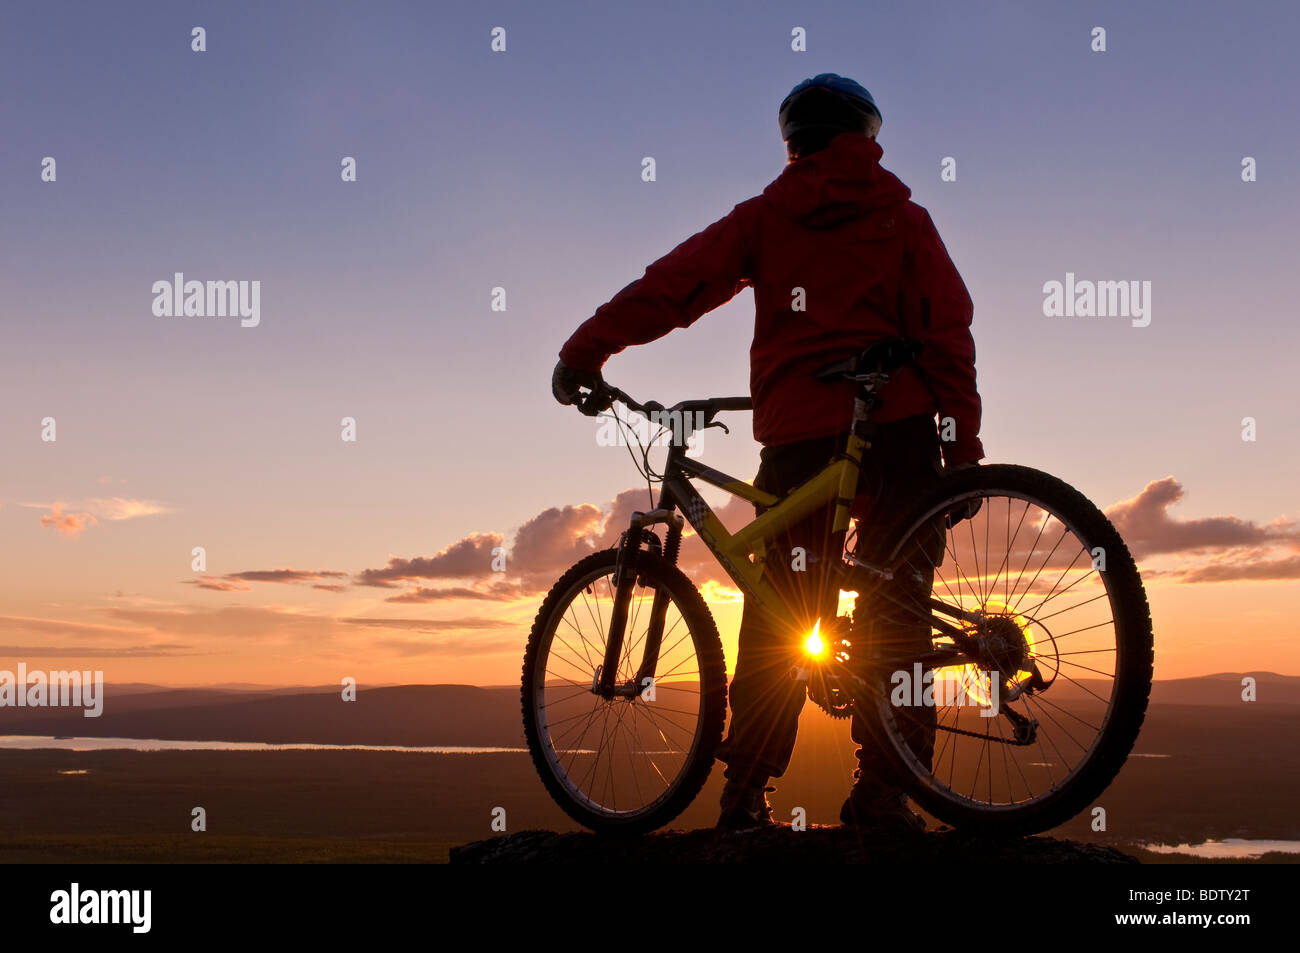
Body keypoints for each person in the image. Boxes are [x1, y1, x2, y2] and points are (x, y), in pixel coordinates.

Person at [551, 73, 983, 832]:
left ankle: (746, 792)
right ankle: (886, 793)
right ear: (867, 136)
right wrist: (963, 443)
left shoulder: (766, 218)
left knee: (780, 615)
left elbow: (674, 285)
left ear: (791, 142)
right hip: (904, 428)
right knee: (900, 608)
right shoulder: (904, 218)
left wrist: (586, 352)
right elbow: (948, 331)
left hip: (801, 436)